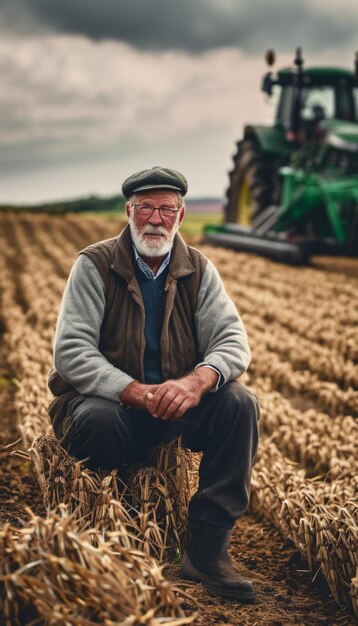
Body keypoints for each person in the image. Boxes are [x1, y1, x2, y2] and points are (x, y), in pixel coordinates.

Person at [48, 166, 260, 603]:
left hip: (174, 407)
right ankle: (104, 538)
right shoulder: (94, 264)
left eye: (166, 208)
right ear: (128, 212)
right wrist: (137, 392)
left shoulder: (198, 269)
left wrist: (196, 382)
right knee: (96, 420)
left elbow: (233, 340)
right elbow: (71, 351)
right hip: (113, 406)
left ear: (181, 216)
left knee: (239, 403)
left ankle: (206, 551)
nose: (155, 219)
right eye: (145, 207)